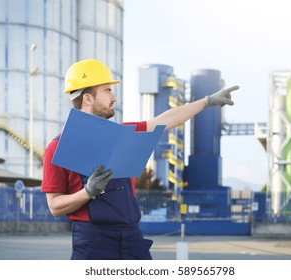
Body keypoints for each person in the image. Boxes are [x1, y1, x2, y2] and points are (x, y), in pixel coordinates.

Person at [41, 59, 239, 260]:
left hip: (132, 238)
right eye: (107, 90)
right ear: (88, 98)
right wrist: (87, 192)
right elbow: (55, 206)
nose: (114, 97)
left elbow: (166, 120)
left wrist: (207, 101)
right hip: (93, 242)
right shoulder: (57, 147)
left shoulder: (124, 134)